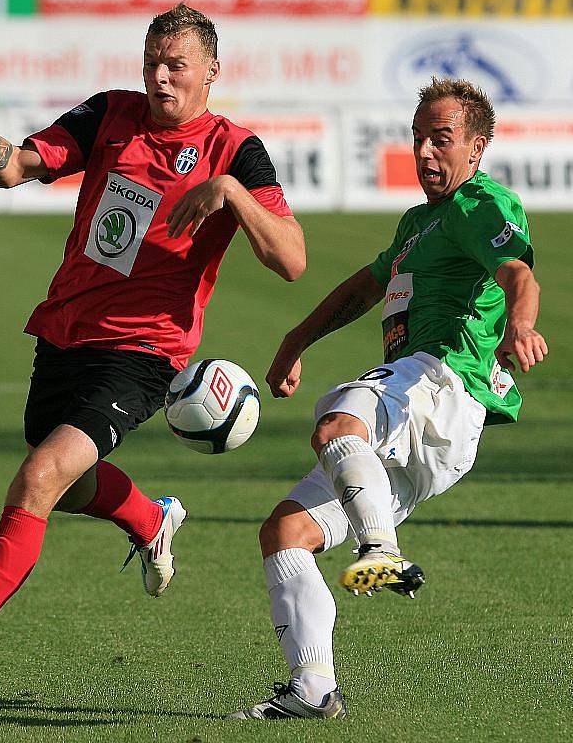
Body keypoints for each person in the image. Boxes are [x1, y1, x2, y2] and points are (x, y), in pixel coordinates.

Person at [0, 3, 305, 704]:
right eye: (151, 61)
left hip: (143, 351)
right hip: (63, 331)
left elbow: (292, 261)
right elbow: (13, 169)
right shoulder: (110, 113)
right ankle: (152, 519)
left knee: (38, 479)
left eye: (175, 64)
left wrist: (232, 193)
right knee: (60, 483)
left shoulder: (234, 150)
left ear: (211, 70)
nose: (159, 77)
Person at [230, 77, 547, 721]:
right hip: (424, 426)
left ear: (477, 147)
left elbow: (517, 271)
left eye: (443, 139)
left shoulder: (477, 203)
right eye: (419, 138)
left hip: (443, 383)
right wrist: (295, 338)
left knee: (336, 420)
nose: (427, 152)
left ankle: (381, 550)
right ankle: (313, 690)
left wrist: (520, 322)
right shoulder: (417, 223)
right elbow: (364, 287)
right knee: (285, 533)